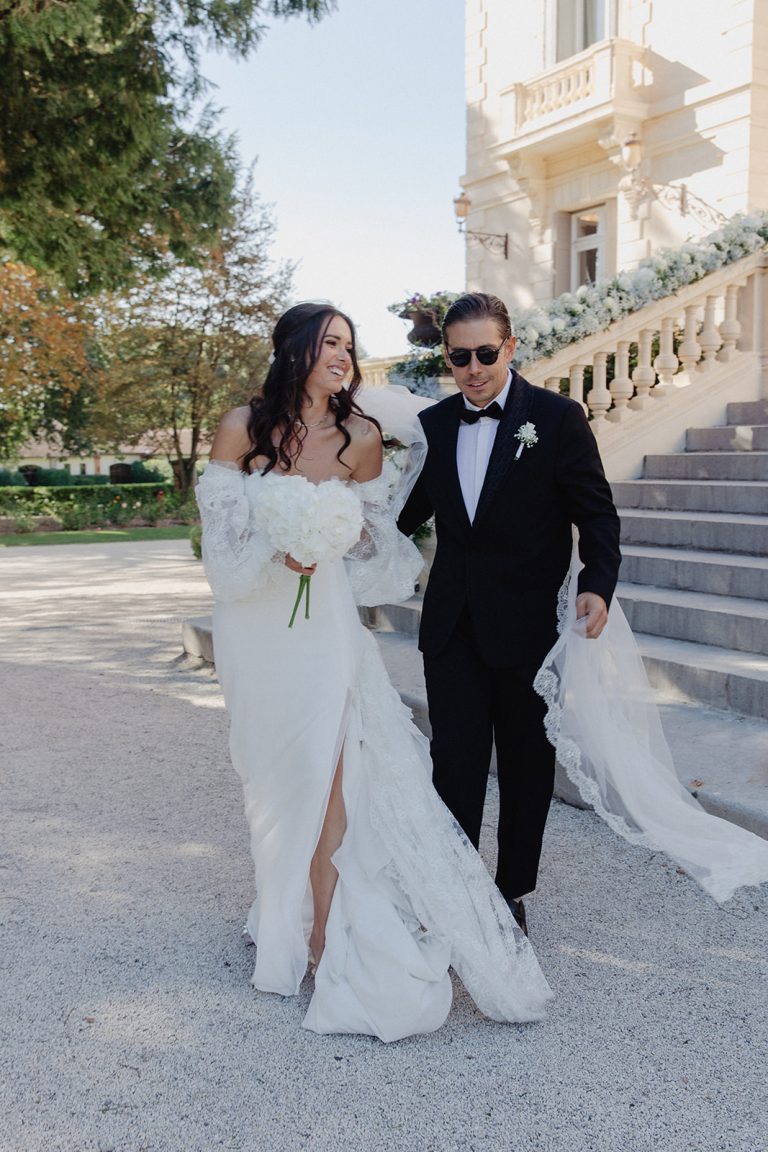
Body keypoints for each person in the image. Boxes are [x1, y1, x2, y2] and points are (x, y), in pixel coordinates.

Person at [195, 301, 552, 1042]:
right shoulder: (240, 428)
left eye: (349, 346)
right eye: (328, 343)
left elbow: (384, 559)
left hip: (324, 628)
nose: (342, 356)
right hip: (257, 631)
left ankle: (325, 934)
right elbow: (224, 565)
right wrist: (279, 549)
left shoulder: (361, 440)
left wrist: (336, 537)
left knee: (329, 779)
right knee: (273, 776)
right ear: (293, 349)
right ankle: (283, 904)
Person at [397, 292, 622, 936]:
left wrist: (597, 583)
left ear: (511, 347)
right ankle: (456, 889)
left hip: (528, 631)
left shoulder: (555, 418)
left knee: (527, 766)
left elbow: (596, 513)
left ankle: (511, 892)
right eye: (459, 356)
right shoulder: (436, 424)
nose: (472, 368)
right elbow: (405, 517)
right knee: (455, 763)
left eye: (485, 354)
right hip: (452, 628)